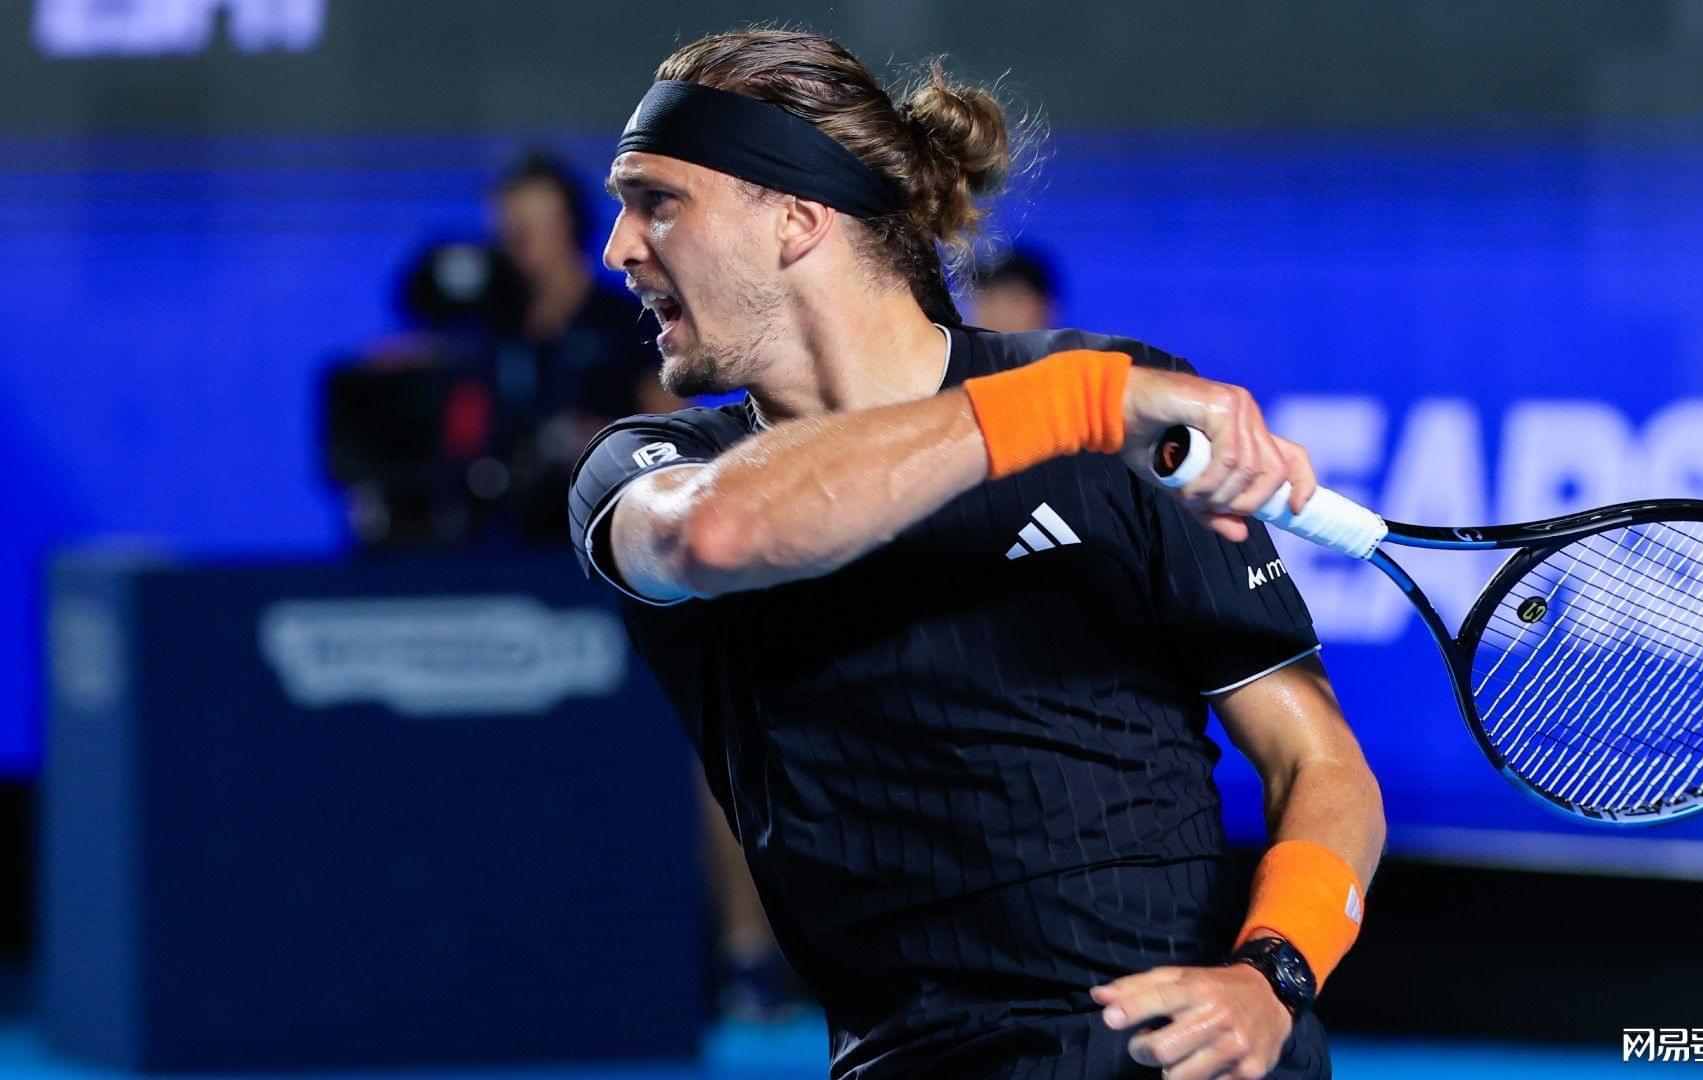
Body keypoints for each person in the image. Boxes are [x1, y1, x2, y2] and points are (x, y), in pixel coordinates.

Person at [568, 30, 1385, 1080]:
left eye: (657, 202)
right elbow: (718, 532)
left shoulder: (1124, 404)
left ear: (796, 219)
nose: (618, 248)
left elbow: (1318, 762)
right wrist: (1076, 405)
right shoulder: (649, 469)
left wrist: (1274, 976)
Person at [490, 152, 680, 544]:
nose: (519, 242)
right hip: (505, 533)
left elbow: (669, 429)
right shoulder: (489, 329)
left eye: (534, 227)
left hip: (606, 523)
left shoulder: (626, 322)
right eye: (511, 228)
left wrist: (603, 441)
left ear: (570, 225)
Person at [971, 246, 1062, 333]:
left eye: (1013, 298)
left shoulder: (1068, 343)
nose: (999, 313)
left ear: (1047, 308)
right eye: (989, 298)